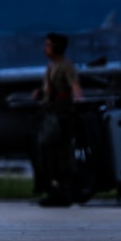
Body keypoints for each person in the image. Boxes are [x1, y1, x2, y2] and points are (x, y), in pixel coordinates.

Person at [33, 32, 85, 207]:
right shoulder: (52, 66)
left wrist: (79, 105)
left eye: (48, 45)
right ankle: (54, 189)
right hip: (51, 113)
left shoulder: (65, 66)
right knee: (47, 153)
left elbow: (75, 87)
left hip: (61, 115)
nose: (45, 48)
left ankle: (62, 191)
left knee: (59, 154)